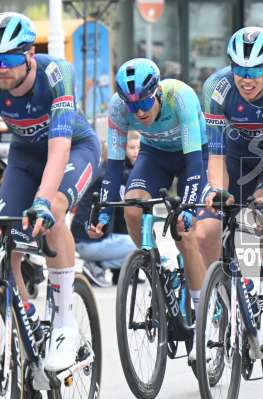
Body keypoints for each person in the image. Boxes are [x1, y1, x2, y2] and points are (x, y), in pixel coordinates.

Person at [88, 58, 208, 361]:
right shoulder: (118, 108)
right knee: (132, 208)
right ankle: (157, 264)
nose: (139, 112)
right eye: (132, 106)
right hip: (155, 155)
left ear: (156, 93)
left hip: (194, 155)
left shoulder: (179, 96)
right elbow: (114, 166)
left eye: (144, 103)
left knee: (185, 232)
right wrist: (104, 212)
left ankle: (203, 321)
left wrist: (188, 207)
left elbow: (195, 163)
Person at [0, 13, 101, 371]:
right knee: (5, 235)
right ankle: (25, 316)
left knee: (53, 211)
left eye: (8, 59)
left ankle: (64, 324)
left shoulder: (56, 73)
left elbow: (59, 147)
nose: (1, 69)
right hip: (25, 156)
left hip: (74, 149)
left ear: (29, 55)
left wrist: (42, 200)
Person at [198, 27, 263, 348]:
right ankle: (221, 298)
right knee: (206, 229)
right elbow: (215, 154)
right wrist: (218, 192)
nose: (246, 79)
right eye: (239, 69)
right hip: (235, 157)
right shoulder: (216, 88)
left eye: (255, 70)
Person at [73, 135, 139, 287]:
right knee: (143, 244)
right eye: (131, 148)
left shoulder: (101, 173)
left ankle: (98, 265)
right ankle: (96, 265)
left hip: (88, 241)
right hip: (88, 243)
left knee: (135, 245)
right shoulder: (108, 177)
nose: (135, 152)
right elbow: (134, 177)